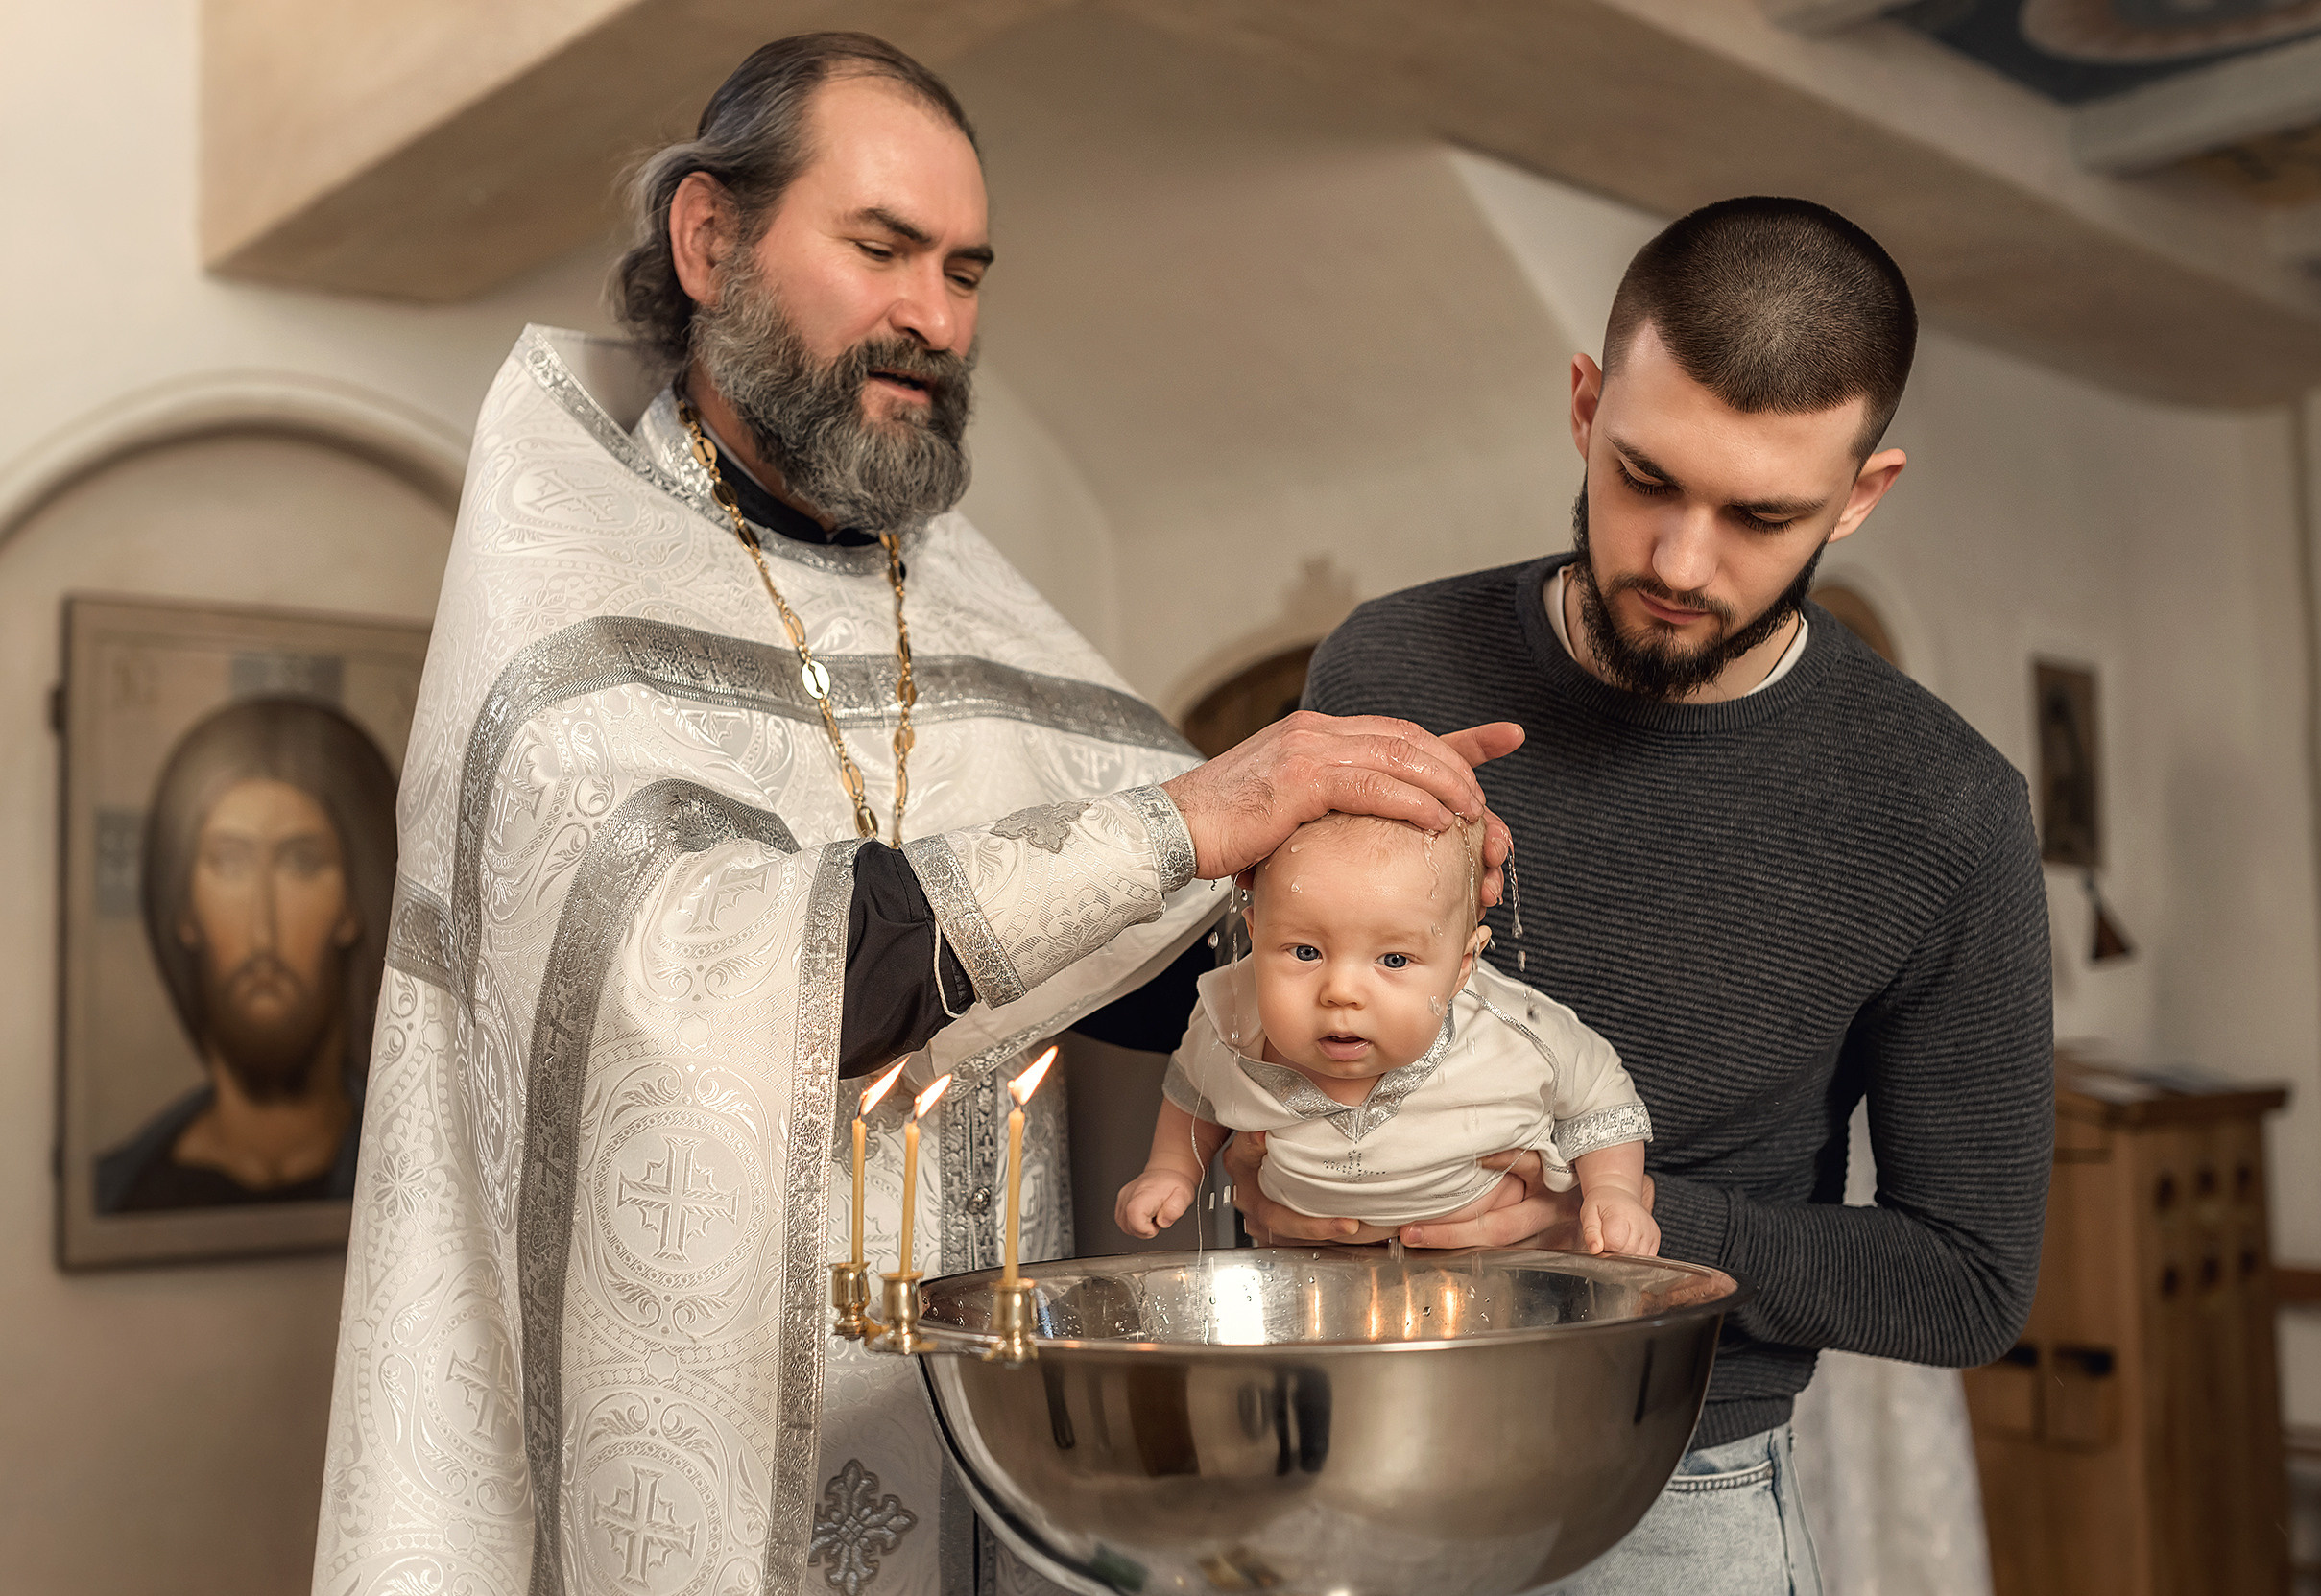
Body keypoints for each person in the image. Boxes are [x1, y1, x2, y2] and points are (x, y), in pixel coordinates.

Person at [311, 33, 1516, 1596]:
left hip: (981, 1456)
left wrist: (1354, 890)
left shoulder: (974, 610)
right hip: (674, 1466)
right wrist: (1199, 813)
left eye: (964, 271)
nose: (933, 320)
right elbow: (696, 977)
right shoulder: (562, 613)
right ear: (709, 242)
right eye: (881, 249)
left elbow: (1148, 961)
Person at [1257, 198, 2054, 1594]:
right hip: (1338, 1440)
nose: (1684, 562)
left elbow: (1966, 1281)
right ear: (1584, 403)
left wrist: (1602, 1219)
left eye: (1763, 514)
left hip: (1674, 1502)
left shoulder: (1945, 806)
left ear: (1862, 493)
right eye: (1646, 478)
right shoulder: (1388, 666)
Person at [1115, 813, 1655, 1255]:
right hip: (1310, 1269)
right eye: (1306, 952)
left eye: (1394, 959)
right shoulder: (1229, 1022)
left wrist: (1613, 1190)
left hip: (1494, 1269)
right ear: (1255, 933)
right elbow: (1193, 1092)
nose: (1341, 992)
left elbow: (1600, 1094)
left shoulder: (1512, 1031)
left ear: (1462, 964)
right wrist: (1171, 1169)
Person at [96, 697, 396, 1212]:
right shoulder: (123, 1191)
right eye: (229, 864)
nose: (263, 930)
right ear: (185, 909)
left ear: (351, 908)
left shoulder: (420, 1188)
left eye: (301, 864)